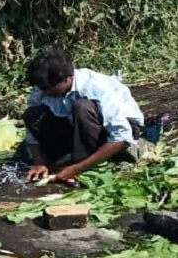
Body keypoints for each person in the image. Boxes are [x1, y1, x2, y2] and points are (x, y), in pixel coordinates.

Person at [23, 47, 144, 184]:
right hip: (76, 126)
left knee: (82, 107)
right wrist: (40, 161)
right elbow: (32, 133)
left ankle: (82, 163)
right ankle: (63, 158)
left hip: (119, 129)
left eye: (49, 88)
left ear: (67, 78)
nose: (45, 92)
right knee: (32, 114)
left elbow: (121, 135)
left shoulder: (94, 87)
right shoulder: (43, 90)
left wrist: (77, 168)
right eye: (42, 88)